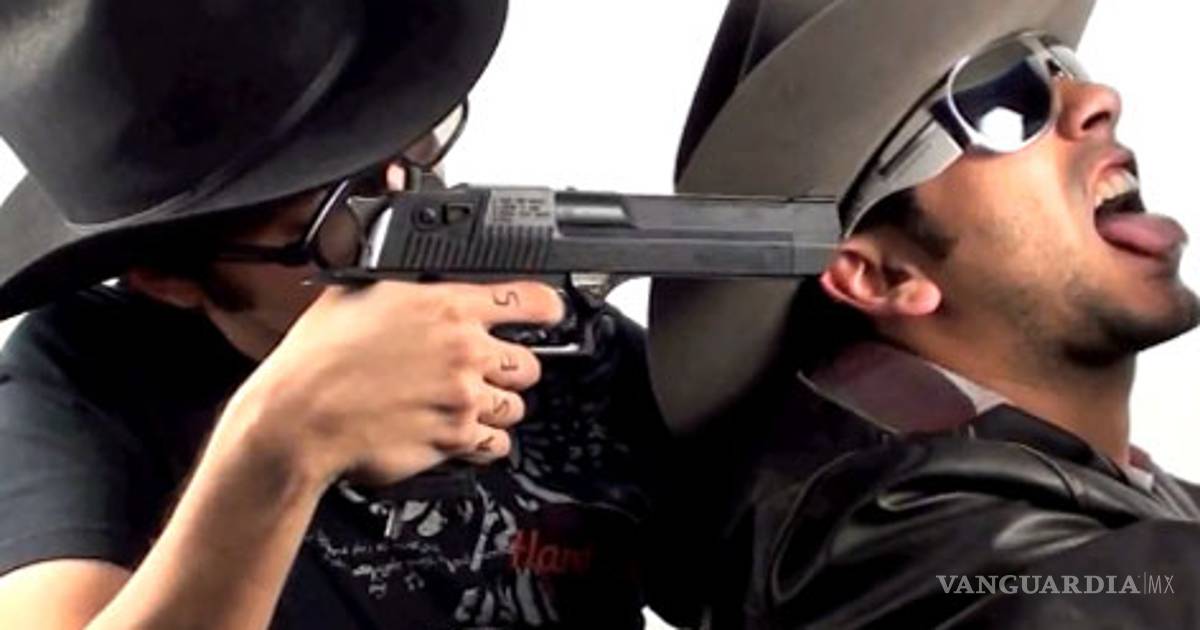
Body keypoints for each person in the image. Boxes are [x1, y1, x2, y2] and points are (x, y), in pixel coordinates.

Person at [0, 2, 684, 628]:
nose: (417, 216)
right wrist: (277, 446)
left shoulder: (549, 327)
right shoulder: (82, 372)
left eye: (414, 149)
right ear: (166, 277)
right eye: (349, 207)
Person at [649, 0, 1200, 627]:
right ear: (882, 275)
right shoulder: (879, 539)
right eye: (1002, 95)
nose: (1098, 100)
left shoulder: (1152, 512)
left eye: (1062, 67)